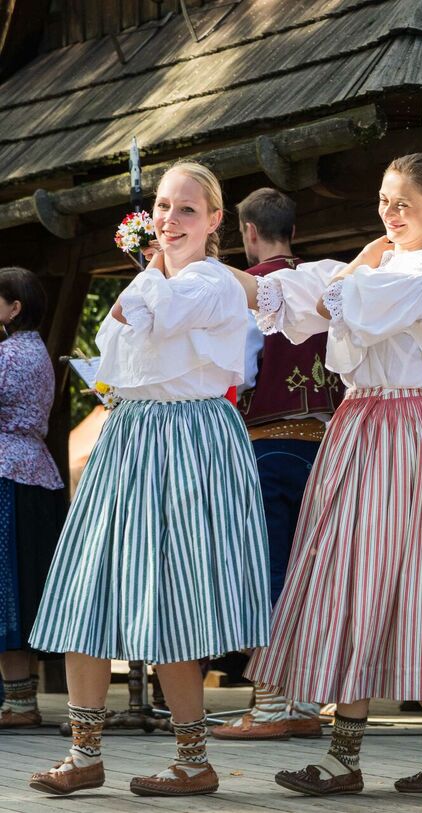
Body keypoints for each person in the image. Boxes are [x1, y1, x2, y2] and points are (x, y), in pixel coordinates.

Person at [236, 153, 422, 796]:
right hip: (363, 425)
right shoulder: (392, 265)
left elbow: (342, 298)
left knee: (371, 575)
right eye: (383, 200)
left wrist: (356, 265)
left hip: (401, 430)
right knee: (371, 579)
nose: (389, 213)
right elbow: (321, 307)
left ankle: (344, 756)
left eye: (403, 203)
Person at [27, 162, 270, 797]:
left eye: (187, 210)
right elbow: (112, 357)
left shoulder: (211, 281)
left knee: (171, 598)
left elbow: (152, 317)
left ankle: (193, 759)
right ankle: (84, 753)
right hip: (130, 437)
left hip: (189, 440)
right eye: (163, 207)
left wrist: (152, 269)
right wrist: (150, 268)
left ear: (216, 221)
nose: (169, 219)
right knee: (86, 589)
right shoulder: (153, 277)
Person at [211, 188, 343, 742]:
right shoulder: (324, 286)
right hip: (330, 447)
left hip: (268, 447)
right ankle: (307, 705)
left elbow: (235, 372)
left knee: (265, 571)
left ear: (247, 231)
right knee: (310, 577)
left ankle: (269, 708)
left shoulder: (251, 293)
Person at [0, 267, 67, 729]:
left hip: (6, 470)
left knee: (7, 587)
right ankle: (20, 701)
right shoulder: (36, 351)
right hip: (35, 472)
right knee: (20, 587)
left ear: (14, 307)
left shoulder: (7, 354)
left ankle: (20, 702)